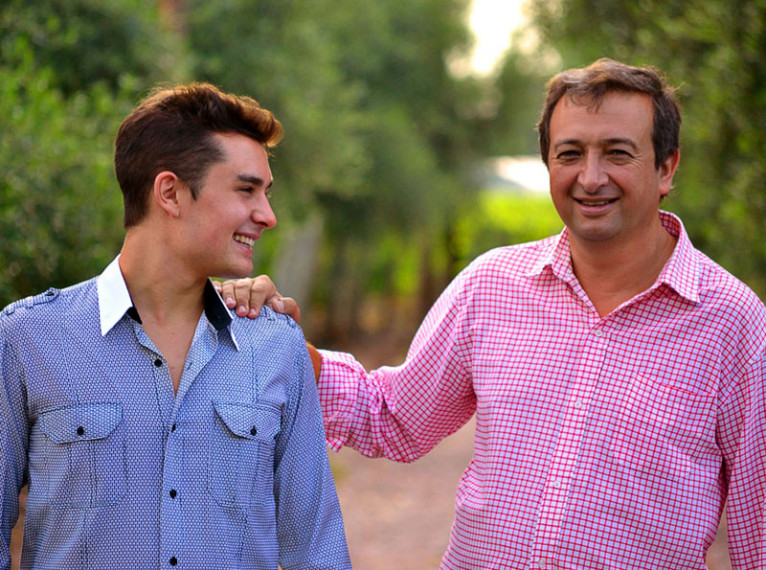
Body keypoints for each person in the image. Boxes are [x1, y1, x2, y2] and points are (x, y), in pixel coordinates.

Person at [221, 59, 765, 569]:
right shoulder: (491, 286)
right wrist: (287, 346)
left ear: (666, 168)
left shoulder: (735, 324)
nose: (590, 177)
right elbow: (394, 417)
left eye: (617, 153)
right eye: (570, 154)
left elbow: (757, 532)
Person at [0, 83, 351, 569]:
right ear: (170, 193)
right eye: (246, 190)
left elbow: (317, 552)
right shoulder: (27, 338)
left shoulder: (275, 345)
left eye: (266, 194)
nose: (267, 216)